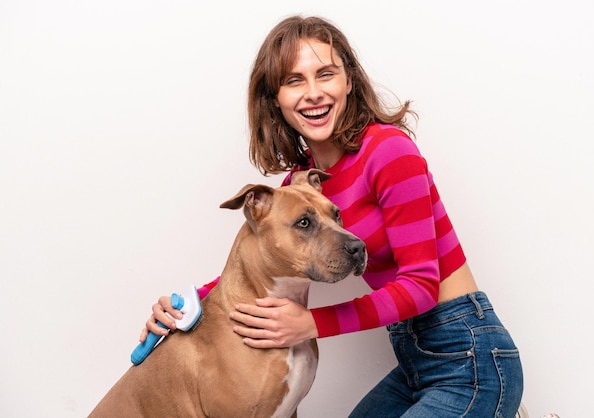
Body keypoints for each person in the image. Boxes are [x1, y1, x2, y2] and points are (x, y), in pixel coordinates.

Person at [140, 15, 524, 417]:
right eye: (294, 81)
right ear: (274, 98)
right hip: (414, 361)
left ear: (348, 81)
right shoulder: (302, 185)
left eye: (326, 74)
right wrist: (186, 305)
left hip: (470, 356)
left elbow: (422, 286)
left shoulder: (389, 151)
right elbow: (265, 261)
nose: (313, 93)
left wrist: (311, 323)